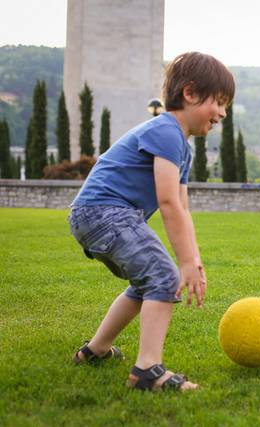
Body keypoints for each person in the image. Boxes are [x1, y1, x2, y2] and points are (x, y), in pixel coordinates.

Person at [68, 52, 234, 391]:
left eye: (226, 105)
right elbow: (168, 201)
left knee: (148, 282)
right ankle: (148, 371)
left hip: (97, 215)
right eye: (218, 102)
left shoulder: (182, 147)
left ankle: (95, 350)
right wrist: (183, 262)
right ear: (190, 93)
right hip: (104, 212)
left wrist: (194, 259)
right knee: (163, 276)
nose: (222, 113)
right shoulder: (166, 131)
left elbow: (182, 208)